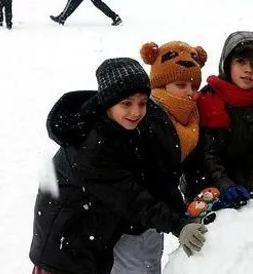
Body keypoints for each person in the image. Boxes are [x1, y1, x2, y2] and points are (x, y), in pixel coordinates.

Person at [29, 58, 207, 274]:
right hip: (66, 244)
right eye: (126, 103)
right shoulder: (92, 147)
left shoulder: (131, 128)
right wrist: (178, 225)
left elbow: (156, 177)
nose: (136, 112)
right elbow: (129, 197)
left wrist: (183, 214)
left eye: (142, 103)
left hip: (95, 233)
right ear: (107, 103)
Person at [110, 41, 209, 274]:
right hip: (131, 218)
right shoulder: (147, 118)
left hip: (155, 216)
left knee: (150, 264)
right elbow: (156, 176)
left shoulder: (188, 118)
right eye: (181, 84)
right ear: (160, 84)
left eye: (194, 86)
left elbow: (188, 166)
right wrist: (178, 218)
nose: (189, 92)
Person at [196, 31, 253, 208]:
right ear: (228, 64)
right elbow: (206, 154)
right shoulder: (208, 98)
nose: (248, 70)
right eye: (241, 62)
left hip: (245, 186)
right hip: (205, 186)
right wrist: (224, 185)